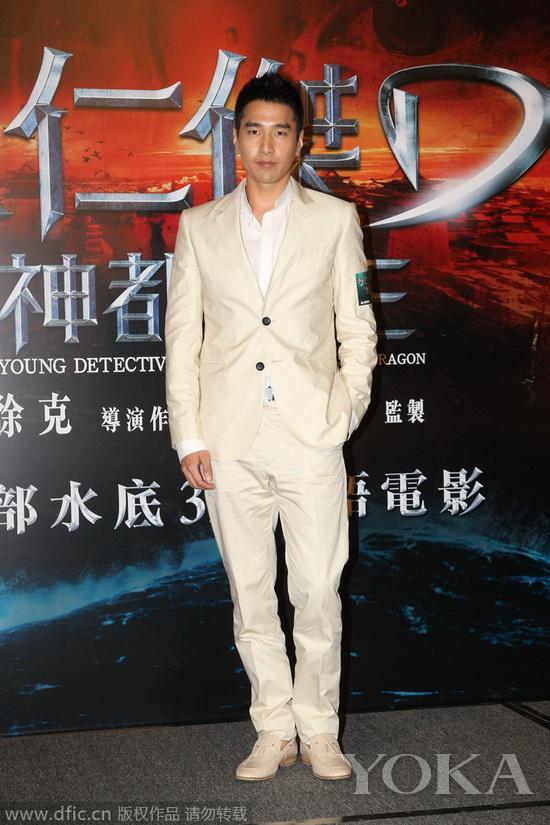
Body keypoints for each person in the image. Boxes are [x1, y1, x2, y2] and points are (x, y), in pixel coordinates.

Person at [164, 73, 377, 781]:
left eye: (280, 131)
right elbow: (182, 339)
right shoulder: (199, 227)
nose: (266, 144)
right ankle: (273, 729)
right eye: (253, 130)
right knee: (251, 593)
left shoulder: (335, 220)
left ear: (300, 141)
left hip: (310, 433)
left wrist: (345, 409)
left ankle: (319, 730)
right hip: (228, 439)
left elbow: (358, 326)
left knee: (316, 590)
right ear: (236, 139)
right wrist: (190, 435)